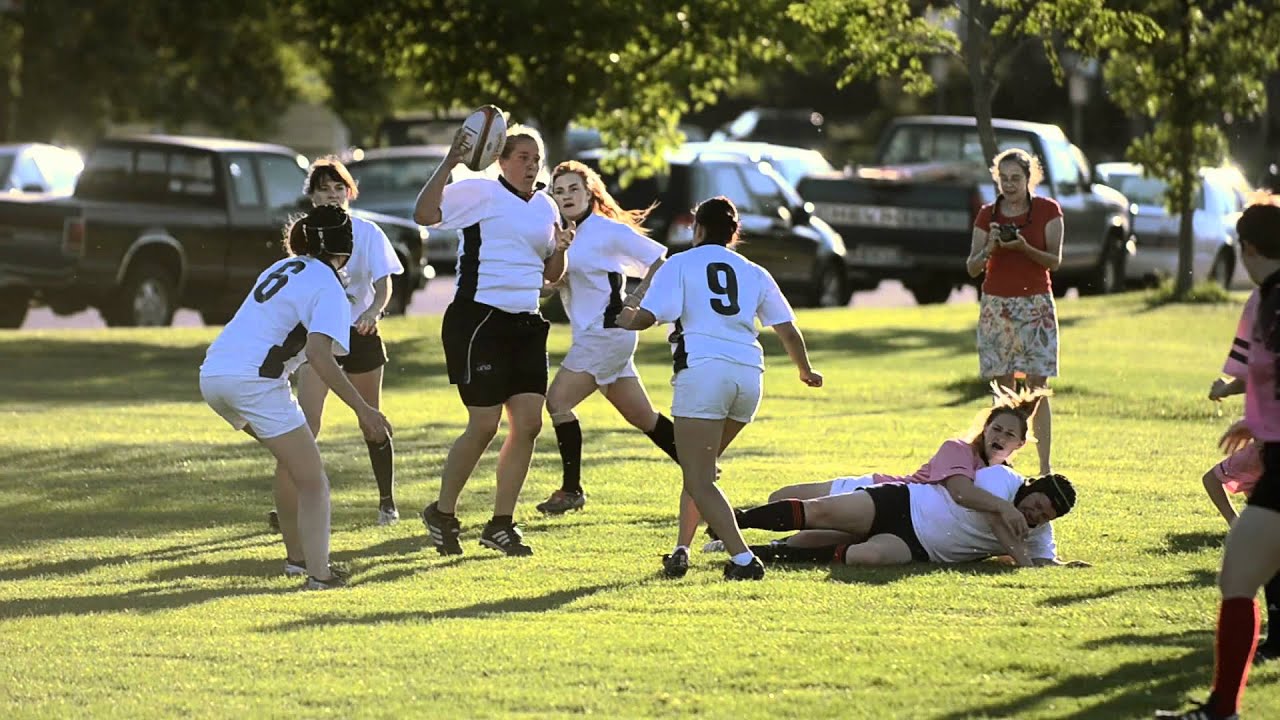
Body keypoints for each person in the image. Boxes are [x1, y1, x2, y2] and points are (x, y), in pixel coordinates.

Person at [616, 196, 823, 580]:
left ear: (696, 229)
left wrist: (624, 315)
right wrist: (805, 370)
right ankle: (681, 549)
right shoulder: (754, 270)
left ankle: (743, 559)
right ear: (734, 233)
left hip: (704, 373)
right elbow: (787, 329)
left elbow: (645, 317)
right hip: (748, 378)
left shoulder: (680, 263)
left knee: (699, 476)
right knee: (700, 468)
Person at [199, 205, 393, 590]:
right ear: (346, 248)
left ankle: (297, 561)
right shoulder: (329, 286)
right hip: (253, 383)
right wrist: (364, 409)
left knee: (294, 464)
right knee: (314, 481)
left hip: (213, 376)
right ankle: (319, 575)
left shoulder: (280, 268)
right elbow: (320, 356)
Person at [411, 122, 572, 557]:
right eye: (522, 157)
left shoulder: (545, 205)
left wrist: (560, 247)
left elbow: (551, 277)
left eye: (536, 159)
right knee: (484, 426)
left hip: (526, 322)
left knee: (530, 424)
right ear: (500, 159)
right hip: (478, 320)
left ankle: (501, 524)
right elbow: (424, 215)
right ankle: (442, 513)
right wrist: (450, 162)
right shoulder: (479, 191)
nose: (531, 165)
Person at [1158, 202, 1280, 720]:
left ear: (1248, 248)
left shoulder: (1272, 301)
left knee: (1238, 575)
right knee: (1240, 572)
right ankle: (1220, 709)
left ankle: (1220, 711)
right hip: (1275, 458)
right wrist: (1255, 422)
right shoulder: (1266, 298)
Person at [267, 156, 405, 529]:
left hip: (360, 336)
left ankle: (387, 504)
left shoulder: (368, 232)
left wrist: (372, 313)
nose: (332, 195)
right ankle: (288, 507)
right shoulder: (306, 236)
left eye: (338, 188)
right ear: (311, 196)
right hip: (319, 339)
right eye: (323, 189)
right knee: (307, 423)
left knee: (370, 418)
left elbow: (383, 283)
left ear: (349, 192)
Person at [534, 160, 673, 515]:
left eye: (573, 189)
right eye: (559, 190)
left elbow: (661, 260)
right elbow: (555, 284)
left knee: (558, 402)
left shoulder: (606, 230)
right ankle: (702, 466)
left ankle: (571, 490)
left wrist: (637, 300)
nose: (565, 196)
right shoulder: (562, 234)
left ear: (590, 193)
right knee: (643, 417)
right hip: (598, 337)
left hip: (605, 335)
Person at [763, 383, 1048, 540]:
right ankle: (728, 525)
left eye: (1010, 434)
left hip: (904, 525)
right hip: (875, 491)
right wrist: (1004, 509)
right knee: (779, 498)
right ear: (985, 428)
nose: (1000, 437)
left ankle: (755, 541)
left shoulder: (1006, 478)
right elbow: (961, 492)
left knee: (812, 534)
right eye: (996, 429)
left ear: (1020, 444)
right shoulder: (959, 449)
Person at [733, 467, 1080, 568]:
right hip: (902, 504)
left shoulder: (1037, 532)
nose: (1033, 515)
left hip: (919, 545)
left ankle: (762, 554)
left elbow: (1044, 560)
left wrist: (1062, 568)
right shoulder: (1004, 479)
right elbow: (989, 513)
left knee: (865, 555)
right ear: (1031, 486)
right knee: (820, 512)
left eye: (1043, 516)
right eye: (1035, 504)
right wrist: (1020, 552)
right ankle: (735, 521)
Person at [965, 148, 1063, 477]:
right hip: (997, 305)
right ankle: (999, 465)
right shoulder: (986, 214)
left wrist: (1023, 248)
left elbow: (1054, 261)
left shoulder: (1048, 211)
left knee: (1038, 386)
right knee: (1004, 387)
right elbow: (972, 268)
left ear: (1029, 178)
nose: (1009, 185)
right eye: (1003, 178)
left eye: (1015, 178)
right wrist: (989, 248)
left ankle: (1045, 466)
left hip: (1036, 304)